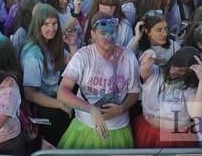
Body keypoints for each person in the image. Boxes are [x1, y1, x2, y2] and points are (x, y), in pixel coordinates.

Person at [56, 12, 140, 149]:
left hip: (118, 129)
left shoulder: (128, 57)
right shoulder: (83, 56)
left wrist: (122, 108)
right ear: (93, 34)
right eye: (103, 33)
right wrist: (91, 109)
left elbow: (134, 92)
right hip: (84, 128)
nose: (109, 37)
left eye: (112, 32)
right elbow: (62, 92)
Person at [21, 4, 76, 146]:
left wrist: (72, 45)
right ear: (37, 25)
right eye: (46, 24)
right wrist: (60, 105)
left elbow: (74, 66)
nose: (51, 28)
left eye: (54, 23)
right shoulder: (33, 54)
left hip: (57, 96)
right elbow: (30, 93)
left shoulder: (51, 44)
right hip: (43, 107)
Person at [134, 46, 202, 148]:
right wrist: (150, 53)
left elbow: (195, 113)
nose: (173, 72)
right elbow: (144, 68)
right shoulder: (156, 72)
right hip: (148, 132)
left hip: (176, 138)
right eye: (173, 66)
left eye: (181, 70)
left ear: (190, 73)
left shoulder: (189, 87)